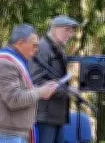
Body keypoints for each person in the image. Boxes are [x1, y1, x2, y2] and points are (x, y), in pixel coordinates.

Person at [0, 24, 59, 143]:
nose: (36, 50)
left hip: (13, 133)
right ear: (21, 43)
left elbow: (21, 92)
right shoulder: (4, 64)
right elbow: (14, 99)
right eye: (34, 46)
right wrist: (40, 92)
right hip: (7, 135)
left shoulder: (15, 62)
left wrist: (42, 89)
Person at [30, 15, 79, 143]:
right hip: (45, 115)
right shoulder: (42, 48)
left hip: (56, 115)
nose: (70, 34)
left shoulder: (58, 48)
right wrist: (66, 91)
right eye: (66, 30)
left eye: (71, 30)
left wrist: (68, 89)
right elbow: (37, 81)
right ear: (54, 29)